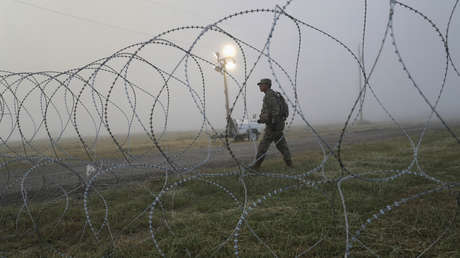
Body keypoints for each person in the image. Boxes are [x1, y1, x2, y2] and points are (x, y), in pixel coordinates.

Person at [250, 78, 293, 169]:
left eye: (261, 84)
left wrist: (272, 122)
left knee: (263, 146)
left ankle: (256, 166)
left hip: (273, 126)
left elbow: (275, 110)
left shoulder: (269, 96)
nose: (260, 86)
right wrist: (263, 119)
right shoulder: (272, 94)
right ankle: (289, 163)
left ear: (266, 85)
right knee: (281, 145)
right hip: (277, 125)